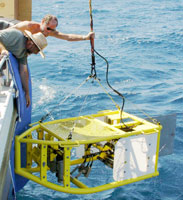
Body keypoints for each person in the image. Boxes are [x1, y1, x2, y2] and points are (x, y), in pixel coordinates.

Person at [0, 28, 48, 107]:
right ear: (30, 41)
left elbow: (24, 72)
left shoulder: (23, 54)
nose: (36, 53)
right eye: (37, 50)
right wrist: (3, 50)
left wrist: (27, 93)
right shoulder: (16, 35)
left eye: (37, 49)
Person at [10, 14, 95, 41]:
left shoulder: (50, 31)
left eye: (52, 29)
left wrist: (85, 37)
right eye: (48, 28)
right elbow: (6, 32)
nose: (49, 32)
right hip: (11, 27)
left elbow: (68, 37)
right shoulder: (28, 26)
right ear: (42, 22)